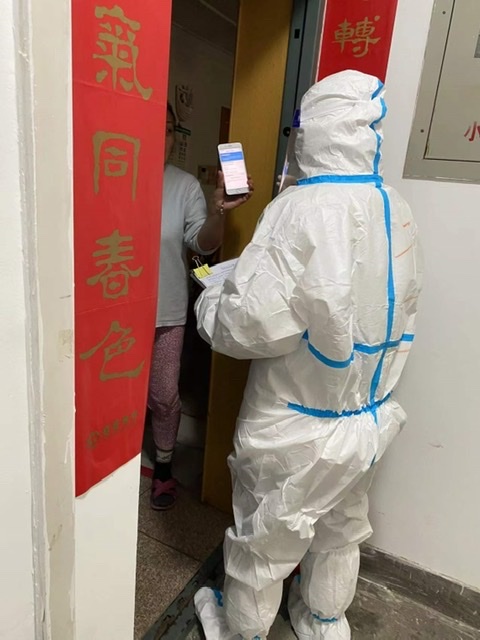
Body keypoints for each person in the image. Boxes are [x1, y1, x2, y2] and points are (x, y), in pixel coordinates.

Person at [194, 70, 423, 640]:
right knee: (339, 530)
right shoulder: (396, 207)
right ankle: (324, 622)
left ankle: (239, 630)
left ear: (313, 130)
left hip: (292, 423)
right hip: (366, 420)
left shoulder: (299, 209)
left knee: (263, 543)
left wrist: (213, 298)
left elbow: (250, 326)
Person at [148, 102, 253, 510]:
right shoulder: (109, 173)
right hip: (113, 310)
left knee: (163, 395)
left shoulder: (184, 186)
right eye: (153, 126)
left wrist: (218, 212)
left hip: (166, 312)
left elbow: (202, 245)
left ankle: (163, 467)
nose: (162, 137)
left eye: (169, 129)